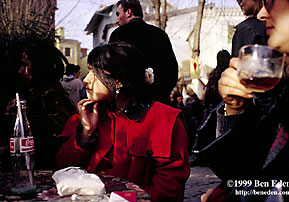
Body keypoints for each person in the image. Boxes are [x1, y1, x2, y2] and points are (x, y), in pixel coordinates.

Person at [56, 42, 190, 202]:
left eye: (94, 72)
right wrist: (85, 135)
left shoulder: (165, 120)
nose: (86, 80)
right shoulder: (85, 116)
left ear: (119, 80)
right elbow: (63, 170)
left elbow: (169, 188)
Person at [199, 0, 289, 201]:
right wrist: (234, 109)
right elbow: (245, 175)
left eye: (271, 2)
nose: (262, 14)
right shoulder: (288, 92)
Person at [4, 43, 77, 170]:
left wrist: (19, 116)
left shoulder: (52, 96)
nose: (20, 71)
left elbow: (52, 141)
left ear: (40, 67)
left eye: (25, 65)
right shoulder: (37, 93)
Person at [109, 0, 178, 105]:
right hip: (160, 104)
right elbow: (172, 71)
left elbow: (113, 71)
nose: (117, 20)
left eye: (118, 14)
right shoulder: (160, 34)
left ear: (128, 12)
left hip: (132, 106)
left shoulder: (118, 35)